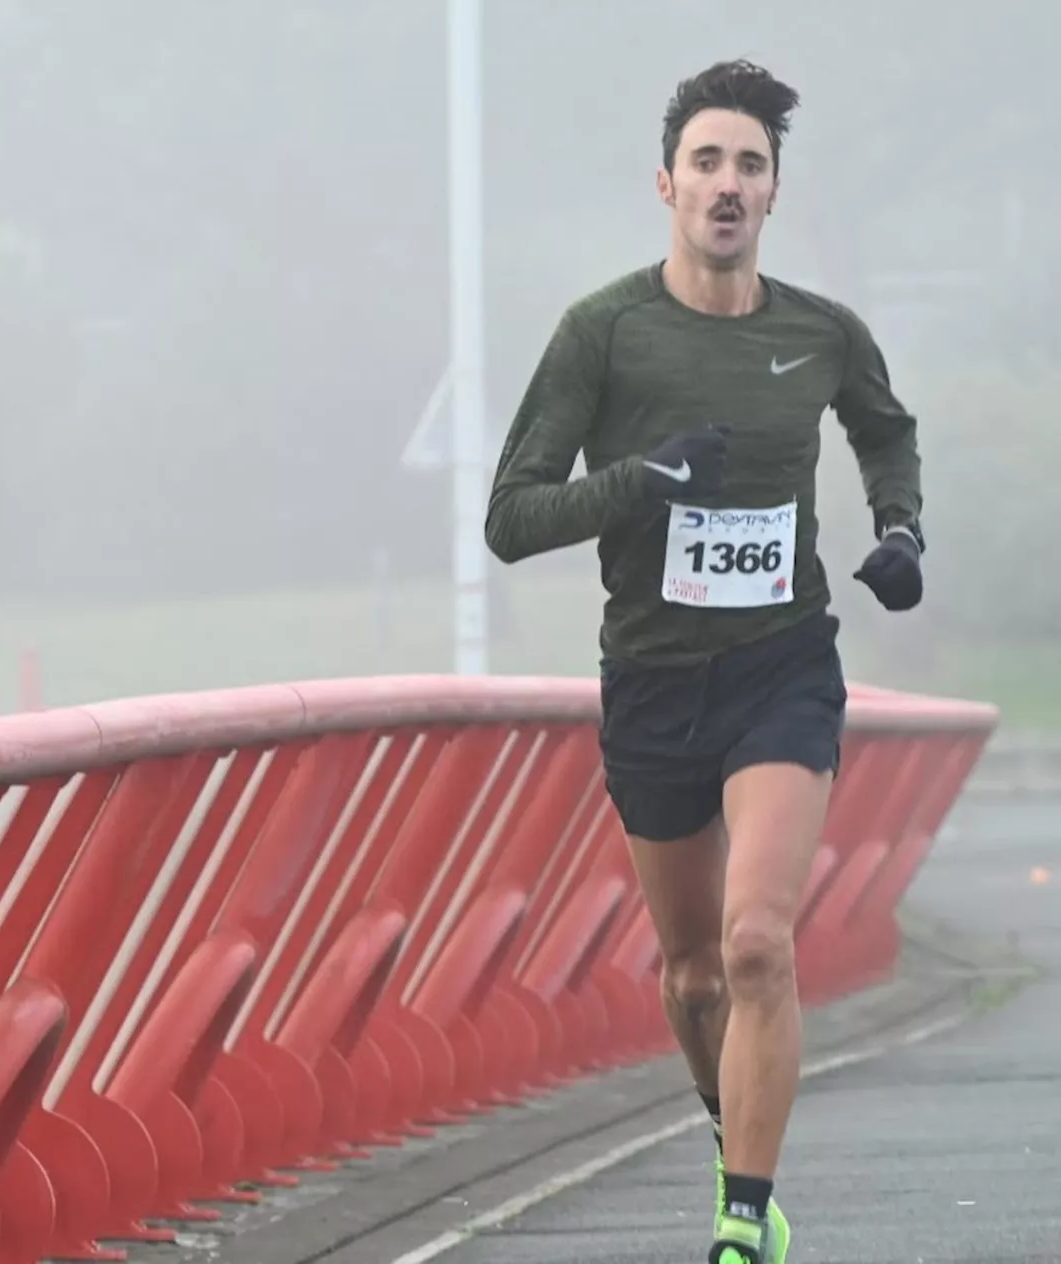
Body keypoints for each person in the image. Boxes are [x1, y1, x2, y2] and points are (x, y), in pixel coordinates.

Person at [484, 58, 924, 1264]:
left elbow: (884, 432)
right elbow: (510, 516)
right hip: (651, 679)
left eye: (749, 165)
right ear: (665, 184)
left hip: (780, 665)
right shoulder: (602, 332)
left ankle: (741, 1221)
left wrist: (898, 528)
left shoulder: (821, 334)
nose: (726, 185)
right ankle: (735, 1132)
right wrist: (644, 478)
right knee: (689, 979)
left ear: (774, 192)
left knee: (753, 943)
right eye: (706, 163)